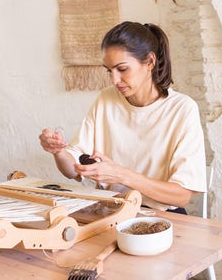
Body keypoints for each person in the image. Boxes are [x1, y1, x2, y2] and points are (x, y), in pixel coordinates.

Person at [39, 21, 206, 214]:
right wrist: (58, 152)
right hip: (110, 211)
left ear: (150, 62)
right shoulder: (106, 99)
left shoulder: (182, 109)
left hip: (163, 217)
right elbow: (71, 170)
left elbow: (182, 196)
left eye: (122, 69)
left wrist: (121, 175)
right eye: (109, 70)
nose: (114, 80)